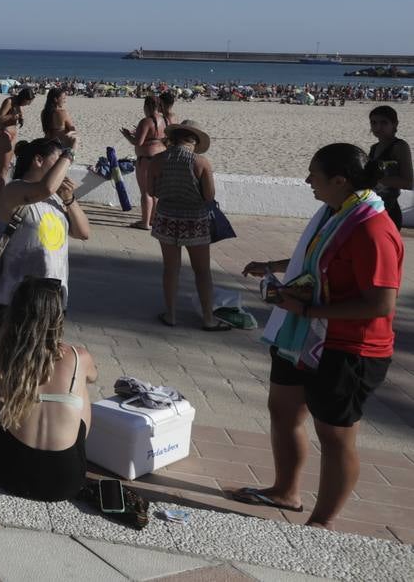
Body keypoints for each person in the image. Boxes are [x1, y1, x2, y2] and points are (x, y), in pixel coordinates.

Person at [235, 144, 403, 528]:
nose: (307, 181)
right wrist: (276, 267)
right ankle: (285, 491)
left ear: (341, 181)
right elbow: (318, 259)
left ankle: (322, 522)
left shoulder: (372, 228)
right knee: (283, 410)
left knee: (334, 436)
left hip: (347, 347)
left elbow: (380, 304)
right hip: (302, 334)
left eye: (314, 174)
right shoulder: (338, 211)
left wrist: (309, 310)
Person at [0, 276, 98, 502]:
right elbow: (94, 376)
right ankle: (71, 445)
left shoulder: (3, 352)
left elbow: (1, 373)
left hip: (7, 473)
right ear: (57, 316)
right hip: (66, 481)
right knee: (79, 383)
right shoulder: (77, 356)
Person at [0, 138, 90, 344]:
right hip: (14, 297)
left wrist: (69, 199)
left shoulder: (55, 198)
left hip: (52, 297)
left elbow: (83, 232)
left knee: (43, 366)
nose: (64, 168)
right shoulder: (14, 190)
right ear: (38, 160)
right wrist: (69, 152)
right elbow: (45, 188)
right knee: (7, 365)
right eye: (58, 160)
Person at [146, 120, 228, 331]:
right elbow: (209, 196)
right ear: (194, 141)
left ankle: (171, 314)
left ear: (173, 139)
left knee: (171, 269)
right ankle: (208, 318)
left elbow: (151, 191)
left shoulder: (157, 160)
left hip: (166, 217)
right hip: (195, 219)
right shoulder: (200, 163)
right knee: (202, 271)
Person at [121, 96, 167, 231]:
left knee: (146, 192)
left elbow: (138, 142)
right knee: (156, 191)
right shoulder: (164, 119)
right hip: (160, 156)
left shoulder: (146, 121)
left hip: (146, 158)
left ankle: (145, 222)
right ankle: (154, 219)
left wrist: (127, 135)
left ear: (146, 106)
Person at [367, 106, 411, 229]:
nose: (377, 127)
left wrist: (376, 179)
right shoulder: (374, 148)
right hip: (374, 209)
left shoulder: (399, 146)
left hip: (390, 211)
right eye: (373, 122)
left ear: (395, 124)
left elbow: (408, 182)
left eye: (384, 123)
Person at [0, 87, 34, 201]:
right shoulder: (9, 101)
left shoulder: (18, 104)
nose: (28, 104)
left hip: (12, 135)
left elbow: (17, 116)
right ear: (23, 98)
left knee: (7, 167)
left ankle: (1, 197)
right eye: (28, 101)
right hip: (3, 134)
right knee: (3, 168)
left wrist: (20, 118)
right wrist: (12, 116)